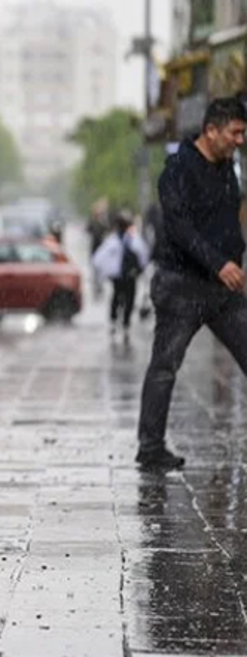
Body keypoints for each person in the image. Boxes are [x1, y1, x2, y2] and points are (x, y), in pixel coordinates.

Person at [138, 97, 247, 472]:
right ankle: (150, 448)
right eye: (234, 133)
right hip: (181, 286)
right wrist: (219, 264)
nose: (240, 140)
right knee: (165, 365)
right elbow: (180, 229)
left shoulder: (228, 169)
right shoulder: (178, 170)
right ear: (211, 130)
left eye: (243, 133)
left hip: (223, 293)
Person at [91, 212, 150, 338]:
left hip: (125, 276)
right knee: (123, 299)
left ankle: (121, 323)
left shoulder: (123, 240)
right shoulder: (122, 240)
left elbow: (98, 259)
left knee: (122, 299)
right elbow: (144, 256)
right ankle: (121, 323)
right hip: (123, 276)